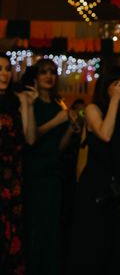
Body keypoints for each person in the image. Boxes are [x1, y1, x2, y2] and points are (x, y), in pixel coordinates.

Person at [70, 67, 120, 274]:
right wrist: (114, 101)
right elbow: (105, 134)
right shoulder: (93, 109)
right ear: (106, 86)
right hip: (100, 185)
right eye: (116, 84)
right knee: (98, 243)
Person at [23, 58, 74, 275]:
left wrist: (71, 127)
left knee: (52, 231)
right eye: (43, 72)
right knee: (34, 230)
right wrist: (57, 121)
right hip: (32, 173)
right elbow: (30, 139)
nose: (48, 76)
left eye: (52, 72)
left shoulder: (58, 105)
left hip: (53, 174)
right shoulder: (29, 103)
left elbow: (59, 147)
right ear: (36, 77)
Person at [0, 53, 37, 275]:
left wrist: (29, 106)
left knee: (11, 234)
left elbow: (30, 139)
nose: (4, 74)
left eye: (7, 69)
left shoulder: (17, 99)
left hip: (11, 177)